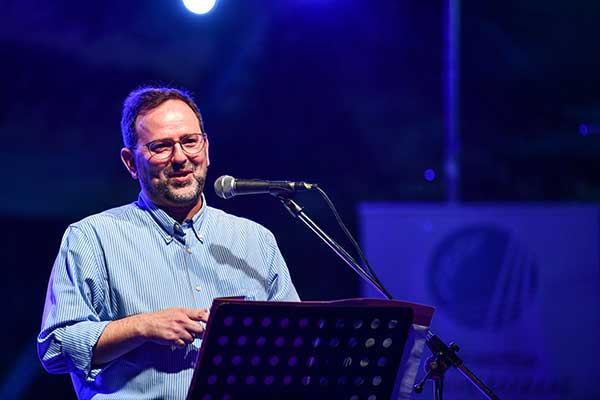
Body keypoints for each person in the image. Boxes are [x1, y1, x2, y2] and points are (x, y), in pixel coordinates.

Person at [37, 86, 300, 399]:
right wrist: (142, 327)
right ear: (131, 162)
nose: (180, 158)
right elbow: (55, 349)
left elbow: (296, 341)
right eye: (161, 147)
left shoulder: (256, 240)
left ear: (206, 148)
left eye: (190, 141)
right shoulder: (92, 237)